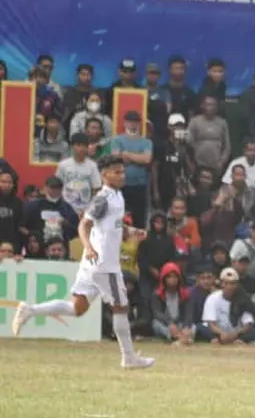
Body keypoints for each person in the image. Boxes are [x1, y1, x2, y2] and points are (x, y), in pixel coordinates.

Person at [11, 155, 154, 369]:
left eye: (122, 171)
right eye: (116, 171)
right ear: (104, 174)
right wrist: (87, 247)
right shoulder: (103, 198)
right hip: (104, 262)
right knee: (121, 307)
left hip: (93, 263)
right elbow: (84, 225)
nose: (121, 175)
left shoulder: (117, 196)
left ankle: (30, 310)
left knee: (77, 308)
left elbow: (111, 226)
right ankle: (129, 357)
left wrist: (131, 231)